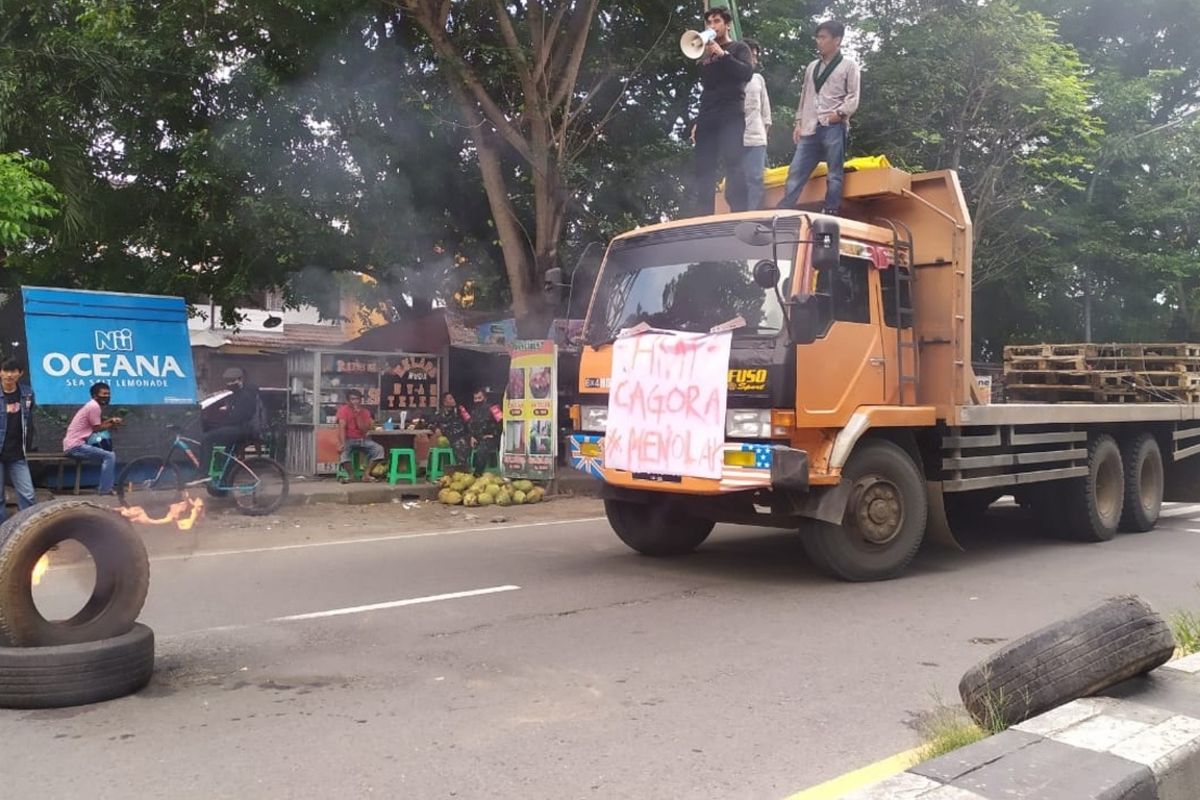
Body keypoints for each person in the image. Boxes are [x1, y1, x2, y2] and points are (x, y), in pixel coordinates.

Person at [775, 20, 860, 215]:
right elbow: (805, 96)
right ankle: (785, 208)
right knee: (796, 170)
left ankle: (830, 209)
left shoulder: (849, 65)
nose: (818, 41)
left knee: (834, 172)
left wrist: (838, 115)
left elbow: (854, 97)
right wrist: (798, 122)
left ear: (837, 40)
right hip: (810, 125)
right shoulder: (812, 67)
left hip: (833, 125)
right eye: (818, 37)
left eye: (823, 37)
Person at [691, 7, 754, 216]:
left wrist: (723, 54)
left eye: (716, 21)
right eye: (708, 22)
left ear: (727, 24)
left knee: (733, 163)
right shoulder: (705, 55)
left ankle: (739, 212)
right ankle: (703, 214)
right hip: (708, 114)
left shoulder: (739, 48)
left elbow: (746, 73)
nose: (712, 26)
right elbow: (708, 89)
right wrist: (698, 121)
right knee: (703, 167)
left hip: (731, 113)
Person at [198, 368, 261, 476]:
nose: (230, 384)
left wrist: (222, 424)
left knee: (207, 438)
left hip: (244, 429)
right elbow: (233, 412)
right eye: (227, 381)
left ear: (241, 379)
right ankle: (225, 480)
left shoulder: (247, 394)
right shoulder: (236, 393)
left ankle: (204, 472)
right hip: (238, 427)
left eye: (233, 381)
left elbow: (240, 416)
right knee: (226, 453)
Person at [63, 382, 121, 495]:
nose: (107, 396)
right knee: (109, 456)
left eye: (108, 393)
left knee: (107, 456)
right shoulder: (94, 407)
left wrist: (110, 421)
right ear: (95, 395)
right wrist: (112, 423)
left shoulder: (91, 405)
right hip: (75, 446)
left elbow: (95, 427)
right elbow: (97, 428)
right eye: (104, 394)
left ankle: (105, 487)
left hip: (73, 445)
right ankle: (105, 489)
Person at [0, 357, 37, 522]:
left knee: (28, 495)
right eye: (5, 370)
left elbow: (27, 420)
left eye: (13, 371)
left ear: (20, 373)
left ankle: (28, 532)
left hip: (17, 453)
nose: (9, 375)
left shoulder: (27, 393)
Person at [741, 38, 772, 210]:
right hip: (735, 137)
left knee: (755, 178)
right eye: (752, 56)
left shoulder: (758, 79)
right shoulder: (731, 78)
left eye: (756, 56)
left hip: (756, 137)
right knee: (737, 180)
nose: (755, 60)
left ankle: (752, 214)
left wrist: (765, 132)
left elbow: (765, 109)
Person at [335, 388, 385, 482]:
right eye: (352, 399)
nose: (355, 401)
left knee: (379, 449)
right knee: (343, 452)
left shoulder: (365, 412)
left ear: (360, 400)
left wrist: (358, 415)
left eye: (357, 399)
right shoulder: (343, 410)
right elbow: (342, 428)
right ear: (348, 401)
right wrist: (342, 443)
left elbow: (364, 429)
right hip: (349, 439)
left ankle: (366, 475)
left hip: (363, 440)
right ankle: (351, 475)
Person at [432, 391, 470, 472]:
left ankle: (462, 469)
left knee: (460, 443)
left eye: (452, 398)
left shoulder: (460, 410)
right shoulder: (439, 414)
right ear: (445, 403)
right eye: (450, 399)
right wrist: (435, 428)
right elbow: (430, 423)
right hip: (448, 438)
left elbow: (469, 422)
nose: (453, 400)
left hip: (461, 436)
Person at [468, 388, 501, 475]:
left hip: (491, 438)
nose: (477, 400)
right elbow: (471, 426)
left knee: (483, 448)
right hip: (478, 438)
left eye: (479, 398)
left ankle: (477, 474)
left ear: (485, 398)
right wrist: (472, 437)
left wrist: (493, 434)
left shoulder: (494, 409)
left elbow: (502, 423)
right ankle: (464, 473)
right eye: (475, 398)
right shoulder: (474, 411)